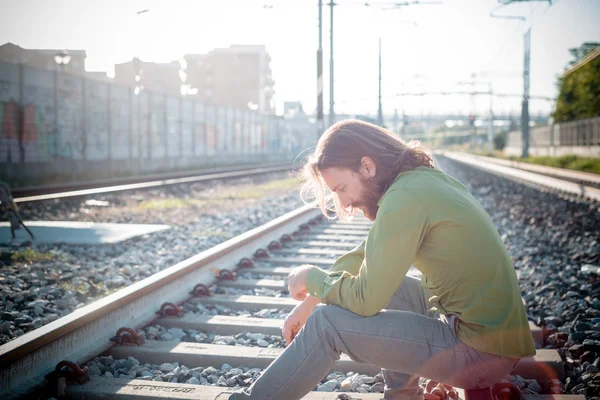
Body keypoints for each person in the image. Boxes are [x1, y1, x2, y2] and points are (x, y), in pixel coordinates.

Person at [218, 120, 535, 400]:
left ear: (367, 167)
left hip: (478, 354)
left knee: (327, 324)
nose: (343, 202)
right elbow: (366, 254)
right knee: (388, 288)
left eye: (341, 188)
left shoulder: (404, 198)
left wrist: (311, 277)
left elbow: (366, 300)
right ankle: (403, 397)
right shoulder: (420, 182)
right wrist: (312, 299)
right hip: (491, 340)